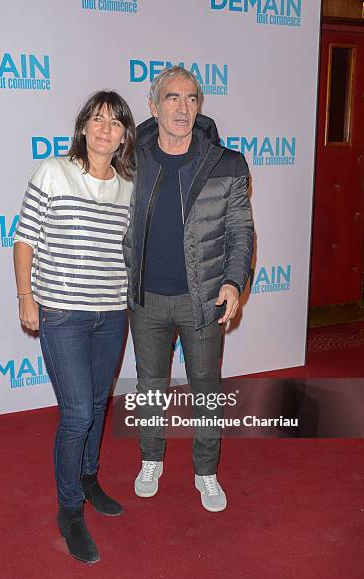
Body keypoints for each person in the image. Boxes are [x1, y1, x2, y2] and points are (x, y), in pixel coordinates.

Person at [123, 66, 254, 512]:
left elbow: (241, 231)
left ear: (200, 105)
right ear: (153, 105)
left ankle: (206, 471)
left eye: (191, 98)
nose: (182, 107)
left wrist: (235, 282)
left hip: (203, 300)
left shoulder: (226, 162)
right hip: (146, 300)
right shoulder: (130, 159)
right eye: (172, 98)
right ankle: (151, 458)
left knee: (206, 388)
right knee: (151, 385)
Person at [13, 91, 135, 563]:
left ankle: (88, 476)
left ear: (124, 134)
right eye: (97, 119)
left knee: (99, 405)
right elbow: (25, 238)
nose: (106, 129)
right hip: (62, 313)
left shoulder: (127, 184)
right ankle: (69, 511)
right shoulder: (53, 172)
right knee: (78, 412)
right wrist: (26, 296)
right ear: (83, 126)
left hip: (111, 313)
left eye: (116, 122)